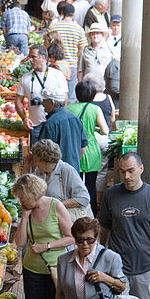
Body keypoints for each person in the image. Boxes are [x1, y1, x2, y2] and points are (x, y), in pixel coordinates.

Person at [99, 152, 150, 299]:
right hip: (116, 267)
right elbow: (104, 227)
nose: (126, 176)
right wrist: (101, 256)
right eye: (122, 171)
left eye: (131, 171)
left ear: (141, 169)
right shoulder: (110, 195)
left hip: (144, 267)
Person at [12, 174, 74, 299]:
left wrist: (46, 246)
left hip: (56, 268)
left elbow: (71, 237)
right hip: (33, 269)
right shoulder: (26, 211)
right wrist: (24, 217)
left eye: (22, 197)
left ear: (32, 194)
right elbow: (20, 242)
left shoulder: (56, 206)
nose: (20, 201)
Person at [67, 79, 109, 210]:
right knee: (91, 185)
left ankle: (75, 212)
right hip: (91, 151)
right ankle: (92, 214)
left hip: (74, 151)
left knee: (74, 185)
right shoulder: (95, 109)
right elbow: (105, 131)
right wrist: (94, 128)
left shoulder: (68, 109)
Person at [14, 45, 68, 142]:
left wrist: (61, 118)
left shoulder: (58, 75)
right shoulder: (25, 78)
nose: (30, 60)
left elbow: (65, 98)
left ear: (43, 58)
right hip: (35, 126)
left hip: (55, 124)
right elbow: (18, 101)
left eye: (33, 57)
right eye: (29, 57)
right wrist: (24, 118)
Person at [29, 139, 92, 220]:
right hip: (49, 220)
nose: (34, 162)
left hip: (68, 221)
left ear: (44, 160)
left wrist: (55, 205)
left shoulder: (66, 170)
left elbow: (83, 198)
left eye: (36, 160)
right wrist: (27, 166)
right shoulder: (40, 171)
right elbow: (26, 189)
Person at [37, 83, 88, 172]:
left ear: (52, 102)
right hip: (73, 170)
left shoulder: (50, 123)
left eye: (44, 100)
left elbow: (42, 153)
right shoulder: (75, 118)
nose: (42, 103)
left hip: (55, 173)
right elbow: (83, 146)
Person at [50, 3, 86, 101]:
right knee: (70, 95)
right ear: (73, 14)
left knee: (54, 93)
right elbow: (82, 48)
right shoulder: (79, 29)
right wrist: (75, 56)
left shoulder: (54, 27)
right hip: (71, 65)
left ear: (62, 13)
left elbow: (48, 43)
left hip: (56, 64)